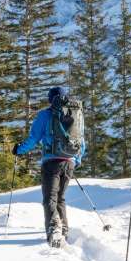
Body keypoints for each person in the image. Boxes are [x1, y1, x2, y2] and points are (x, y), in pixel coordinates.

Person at [13, 87, 85, 248]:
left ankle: (54, 229)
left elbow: (34, 139)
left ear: (50, 99)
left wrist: (19, 150)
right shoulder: (76, 114)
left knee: (49, 198)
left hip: (51, 161)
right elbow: (82, 141)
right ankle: (63, 228)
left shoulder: (45, 115)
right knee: (60, 197)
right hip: (69, 161)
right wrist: (76, 160)